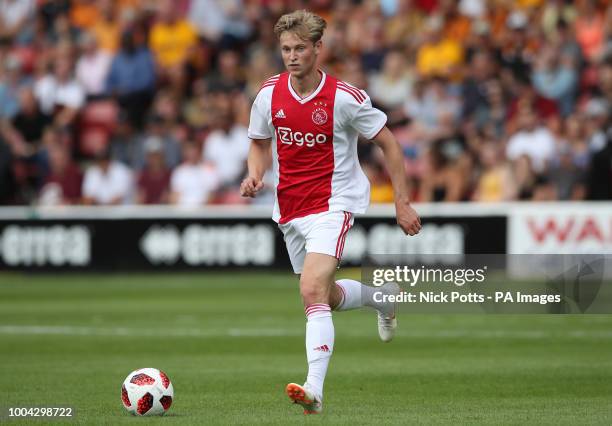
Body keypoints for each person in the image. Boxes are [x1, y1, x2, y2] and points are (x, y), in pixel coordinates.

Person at [239, 10, 421, 415]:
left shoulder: (345, 98)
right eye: (285, 49)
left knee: (310, 291)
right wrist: (254, 175)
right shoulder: (268, 94)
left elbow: (389, 143)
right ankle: (382, 300)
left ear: (318, 48)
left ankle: (314, 389)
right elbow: (258, 141)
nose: (292, 56)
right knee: (325, 296)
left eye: (300, 48)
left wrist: (401, 201)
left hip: (333, 205)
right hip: (289, 209)